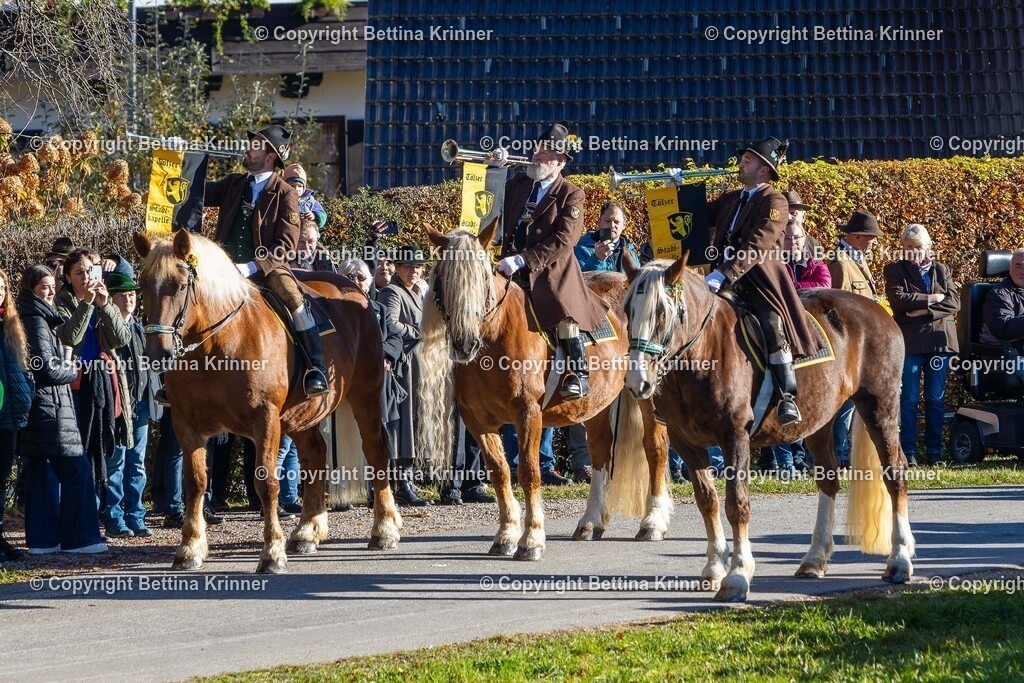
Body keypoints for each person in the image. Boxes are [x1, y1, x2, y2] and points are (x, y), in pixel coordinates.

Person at [704, 137, 820, 427]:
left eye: (748, 160)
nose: (741, 163)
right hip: (724, 281)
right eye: (743, 159)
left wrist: (723, 274)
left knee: (771, 323)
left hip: (758, 284)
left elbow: (758, 244)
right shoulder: (731, 198)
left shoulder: (775, 201)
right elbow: (696, 217)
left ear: (764, 170)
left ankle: (787, 396)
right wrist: (678, 190)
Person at [206, 124, 327, 397]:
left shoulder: (286, 193)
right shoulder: (233, 184)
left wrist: (251, 267)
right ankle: (175, 377)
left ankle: (315, 367)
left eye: (255, 145)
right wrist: (181, 165)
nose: (248, 149)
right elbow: (197, 193)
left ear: (270, 156)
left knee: (293, 299)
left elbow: (285, 246)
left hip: (266, 269)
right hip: (224, 267)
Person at [497, 122, 608, 400]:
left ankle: (578, 374)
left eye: (545, 153)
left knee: (561, 310)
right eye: (537, 149)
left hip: (549, 273)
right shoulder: (518, 184)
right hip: (508, 268)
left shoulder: (571, 193)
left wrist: (524, 260)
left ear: (560, 161)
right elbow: (490, 201)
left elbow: (564, 240)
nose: (536, 155)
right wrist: (494, 168)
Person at [17, 265, 105, 554]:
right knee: (77, 472)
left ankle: (43, 541)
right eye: (44, 286)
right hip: (49, 409)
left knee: (42, 474)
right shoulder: (36, 320)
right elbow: (44, 368)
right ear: (31, 290)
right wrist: (71, 369)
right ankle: (82, 539)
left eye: (53, 285)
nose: (51, 290)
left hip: (42, 409)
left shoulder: (36, 317)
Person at [55, 248, 131, 508]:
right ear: (68, 277)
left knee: (108, 448)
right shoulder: (60, 303)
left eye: (90, 270)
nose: (86, 276)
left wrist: (105, 305)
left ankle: (108, 513)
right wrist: (87, 304)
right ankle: (78, 510)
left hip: (103, 383)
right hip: (73, 386)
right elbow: (70, 337)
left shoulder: (101, 299)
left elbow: (122, 338)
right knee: (78, 448)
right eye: (79, 272)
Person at [764, 192, 832, 474]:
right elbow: (778, 291)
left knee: (802, 394)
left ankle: (801, 455)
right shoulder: (774, 265)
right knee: (779, 394)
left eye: (797, 239)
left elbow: (822, 287)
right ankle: (785, 460)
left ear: (805, 242)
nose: (792, 243)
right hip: (781, 332)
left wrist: (793, 292)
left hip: (805, 333)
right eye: (788, 239)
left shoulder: (816, 264)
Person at [884, 224, 960, 467]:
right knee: (908, 399)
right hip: (910, 343)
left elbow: (955, 302)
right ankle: (908, 451)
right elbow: (898, 300)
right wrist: (932, 299)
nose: (912, 252)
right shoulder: (895, 269)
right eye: (908, 247)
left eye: (917, 247)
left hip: (939, 343)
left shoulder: (941, 269)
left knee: (935, 399)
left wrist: (923, 310)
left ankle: (935, 452)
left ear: (928, 247)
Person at [828, 209, 885, 467]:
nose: (874, 242)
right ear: (858, 237)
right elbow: (835, 308)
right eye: (871, 237)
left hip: (860, 344)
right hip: (847, 345)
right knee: (843, 405)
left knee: (852, 405)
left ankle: (844, 453)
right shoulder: (840, 262)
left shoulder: (858, 259)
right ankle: (836, 454)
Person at [377, 246, 431, 506]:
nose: (414, 270)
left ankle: (410, 478)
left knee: (414, 419)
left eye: (418, 266)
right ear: (397, 268)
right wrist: (419, 329)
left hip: (419, 363)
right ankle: (401, 483)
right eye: (409, 266)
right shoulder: (391, 291)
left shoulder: (418, 293)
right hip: (403, 366)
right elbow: (391, 324)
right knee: (402, 423)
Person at [102, 272, 153, 536]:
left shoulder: (139, 326)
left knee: (137, 464)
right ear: (111, 298)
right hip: (118, 405)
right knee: (116, 463)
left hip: (140, 403)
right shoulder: (107, 326)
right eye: (122, 294)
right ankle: (114, 517)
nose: (128, 299)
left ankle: (136, 514)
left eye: (132, 294)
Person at [0, 267, 33, 561]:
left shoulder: (10, 324)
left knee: (0, 479)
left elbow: (21, 369)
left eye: (1, 287)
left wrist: (27, 394)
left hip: (9, 417)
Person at [283, 163, 328, 228]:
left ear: (304, 188)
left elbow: (323, 214)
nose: (296, 189)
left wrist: (314, 216)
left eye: (300, 186)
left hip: (308, 232)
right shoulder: (281, 199)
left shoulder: (310, 200)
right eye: (292, 186)